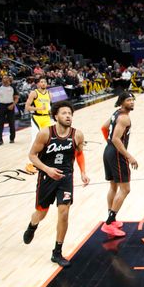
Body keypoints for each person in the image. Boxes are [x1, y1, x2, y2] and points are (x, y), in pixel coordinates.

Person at [22, 101, 90, 267]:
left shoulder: (77, 135)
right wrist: (47, 169)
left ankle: (57, 252)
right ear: (56, 116)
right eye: (64, 113)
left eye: (70, 113)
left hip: (66, 178)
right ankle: (32, 226)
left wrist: (83, 172)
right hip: (47, 177)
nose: (68, 116)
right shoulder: (45, 133)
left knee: (64, 212)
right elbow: (32, 156)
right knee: (41, 213)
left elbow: (79, 154)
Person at [100, 92, 138, 237]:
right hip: (116, 154)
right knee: (125, 189)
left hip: (109, 151)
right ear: (121, 102)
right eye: (129, 100)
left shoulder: (116, 113)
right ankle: (108, 223)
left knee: (113, 186)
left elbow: (104, 127)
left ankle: (112, 218)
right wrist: (129, 156)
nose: (132, 102)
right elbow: (116, 139)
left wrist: (108, 144)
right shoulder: (124, 118)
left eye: (133, 100)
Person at [24, 77, 53, 174]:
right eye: (42, 82)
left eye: (45, 81)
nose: (43, 83)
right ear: (38, 84)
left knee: (49, 139)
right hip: (37, 118)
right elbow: (27, 107)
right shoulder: (34, 93)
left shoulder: (49, 94)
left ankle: (44, 160)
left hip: (46, 118)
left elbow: (49, 107)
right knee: (34, 140)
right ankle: (29, 164)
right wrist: (39, 108)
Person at [0, 75, 19, 145]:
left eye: (5, 78)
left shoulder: (12, 87)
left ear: (8, 79)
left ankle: (12, 138)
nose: (4, 79)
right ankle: (0, 140)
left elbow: (17, 98)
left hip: (10, 105)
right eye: (3, 78)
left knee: (11, 123)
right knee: (0, 123)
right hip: (2, 106)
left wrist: (13, 105)